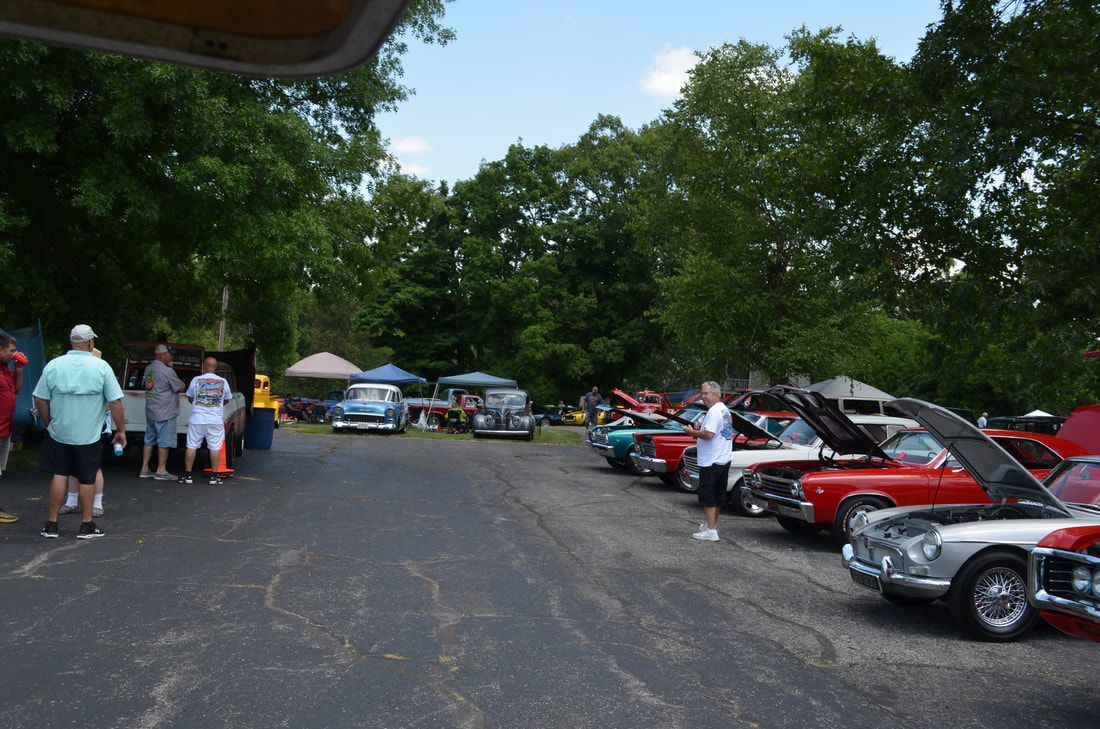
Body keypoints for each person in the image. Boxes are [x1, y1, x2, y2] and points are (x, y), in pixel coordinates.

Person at [32, 324, 125, 539]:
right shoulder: (101, 366)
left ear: (71, 341)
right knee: (87, 478)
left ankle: (51, 525)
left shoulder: (54, 365)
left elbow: (40, 398)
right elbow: (115, 402)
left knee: (59, 474)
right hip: (88, 434)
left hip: (59, 432)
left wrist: (49, 423)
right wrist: (121, 430)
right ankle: (86, 525)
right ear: (90, 343)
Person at [682, 381, 733, 542]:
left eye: (706, 393)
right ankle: (712, 526)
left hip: (711, 460)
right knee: (718, 496)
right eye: (702, 393)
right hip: (723, 458)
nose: (702, 396)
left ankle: (711, 532)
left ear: (715, 394)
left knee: (708, 495)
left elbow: (709, 434)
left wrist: (692, 432)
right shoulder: (725, 410)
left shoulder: (713, 412)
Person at [179, 356, 232, 485]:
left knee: (191, 446)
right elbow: (227, 399)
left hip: (197, 419)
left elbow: (190, 397)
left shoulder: (196, 380)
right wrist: (217, 405)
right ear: (215, 367)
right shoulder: (223, 381)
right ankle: (214, 477)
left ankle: (188, 475)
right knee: (215, 447)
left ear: (204, 366)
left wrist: (199, 404)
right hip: (215, 420)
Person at [139, 343, 184, 480]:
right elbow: (179, 387)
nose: (171, 357)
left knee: (149, 440)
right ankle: (161, 470)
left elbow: (148, 386)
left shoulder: (149, 368)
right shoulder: (167, 371)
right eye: (170, 355)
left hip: (151, 410)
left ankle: (144, 469)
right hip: (165, 412)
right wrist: (183, 382)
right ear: (162, 355)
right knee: (164, 442)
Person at [0, 329, 27, 524]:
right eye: (11, 350)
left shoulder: (5, 369)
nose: (14, 354)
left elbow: (17, 389)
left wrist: (19, 368)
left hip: (4, 429)